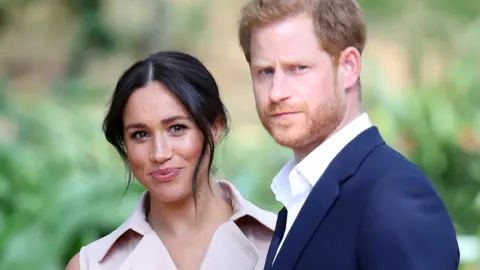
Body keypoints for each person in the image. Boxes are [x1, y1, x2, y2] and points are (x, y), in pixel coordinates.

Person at [237, 0, 460, 269]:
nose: (276, 92)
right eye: (265, 72)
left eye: (298, 68)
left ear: (349, 67)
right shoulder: (300, 197)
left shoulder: (393, 196)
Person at [65, 51, 276, 270]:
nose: (159, 153)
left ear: (214, 129)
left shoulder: (283, 242)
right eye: (140, 134)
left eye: (177, 128)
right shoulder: (91, 265)